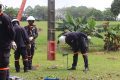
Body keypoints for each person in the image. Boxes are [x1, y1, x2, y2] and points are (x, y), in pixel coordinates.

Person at [0, 4, 15, 80]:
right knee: (4, 64)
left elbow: (12, 32)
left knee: (3, 63)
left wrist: (12, 41)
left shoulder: (5, 18)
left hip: (5, 45)